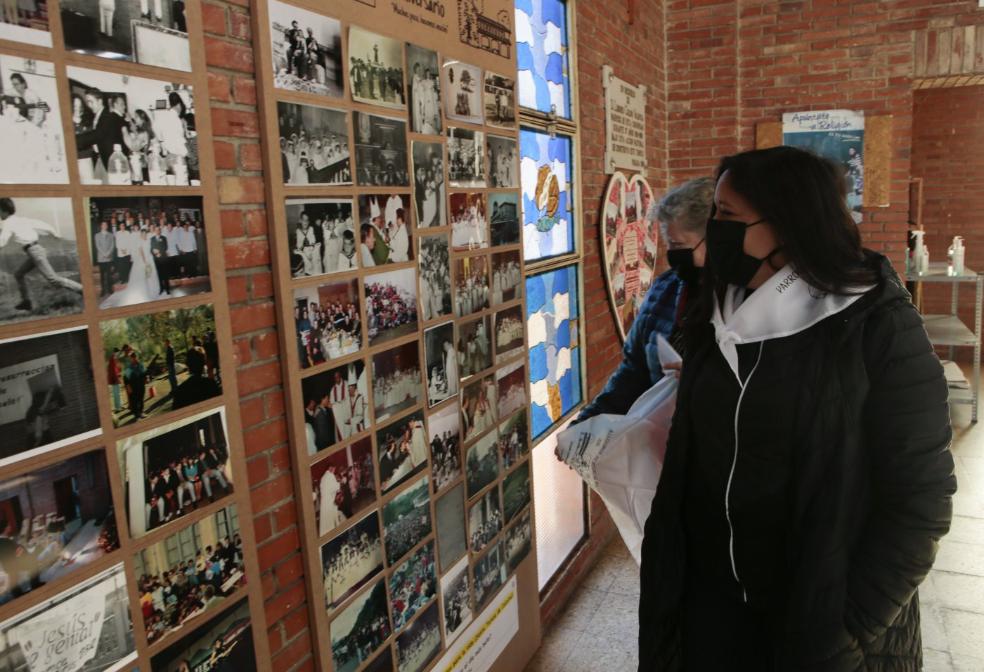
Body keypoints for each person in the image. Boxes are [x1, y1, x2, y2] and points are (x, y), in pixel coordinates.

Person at [637, 147, 956, 670]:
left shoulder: (876, 323)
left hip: (817, 620)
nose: (713, 229)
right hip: (711, 611)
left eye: (726, 215)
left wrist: (847, 627)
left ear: (787, 224)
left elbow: (920, 501)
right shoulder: (716, 311)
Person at [577, 178, 713, 421]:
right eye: (669, 243)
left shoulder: (747, 300)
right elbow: (633, 371)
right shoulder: (665, 289)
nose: (672, 253)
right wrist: (588, 421)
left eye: (678, 244)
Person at [0, 198, 83, 312]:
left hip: (35, 252)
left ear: (4, 210)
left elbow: (3, 240)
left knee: (53, 279)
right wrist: (55, 233)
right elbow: (42, 224)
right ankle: (26, 302)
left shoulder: (8, 223)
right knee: (18, 274)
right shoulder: (22, 219)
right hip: (36, 250)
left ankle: (83, 290)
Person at [94, 221, 116, 297]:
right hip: (101, 258)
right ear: (101, 226)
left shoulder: (111, 235)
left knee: (109, 275)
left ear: (107, 226)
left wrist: (108, 253)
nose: (104, 225)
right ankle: (103, 290)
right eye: (103, 224)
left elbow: (112, 245)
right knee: (102, 275)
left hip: (109, 258)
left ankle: (110, 289)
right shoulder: (97, 235)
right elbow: (98, 246)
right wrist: (104, 254)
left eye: (105, 224)